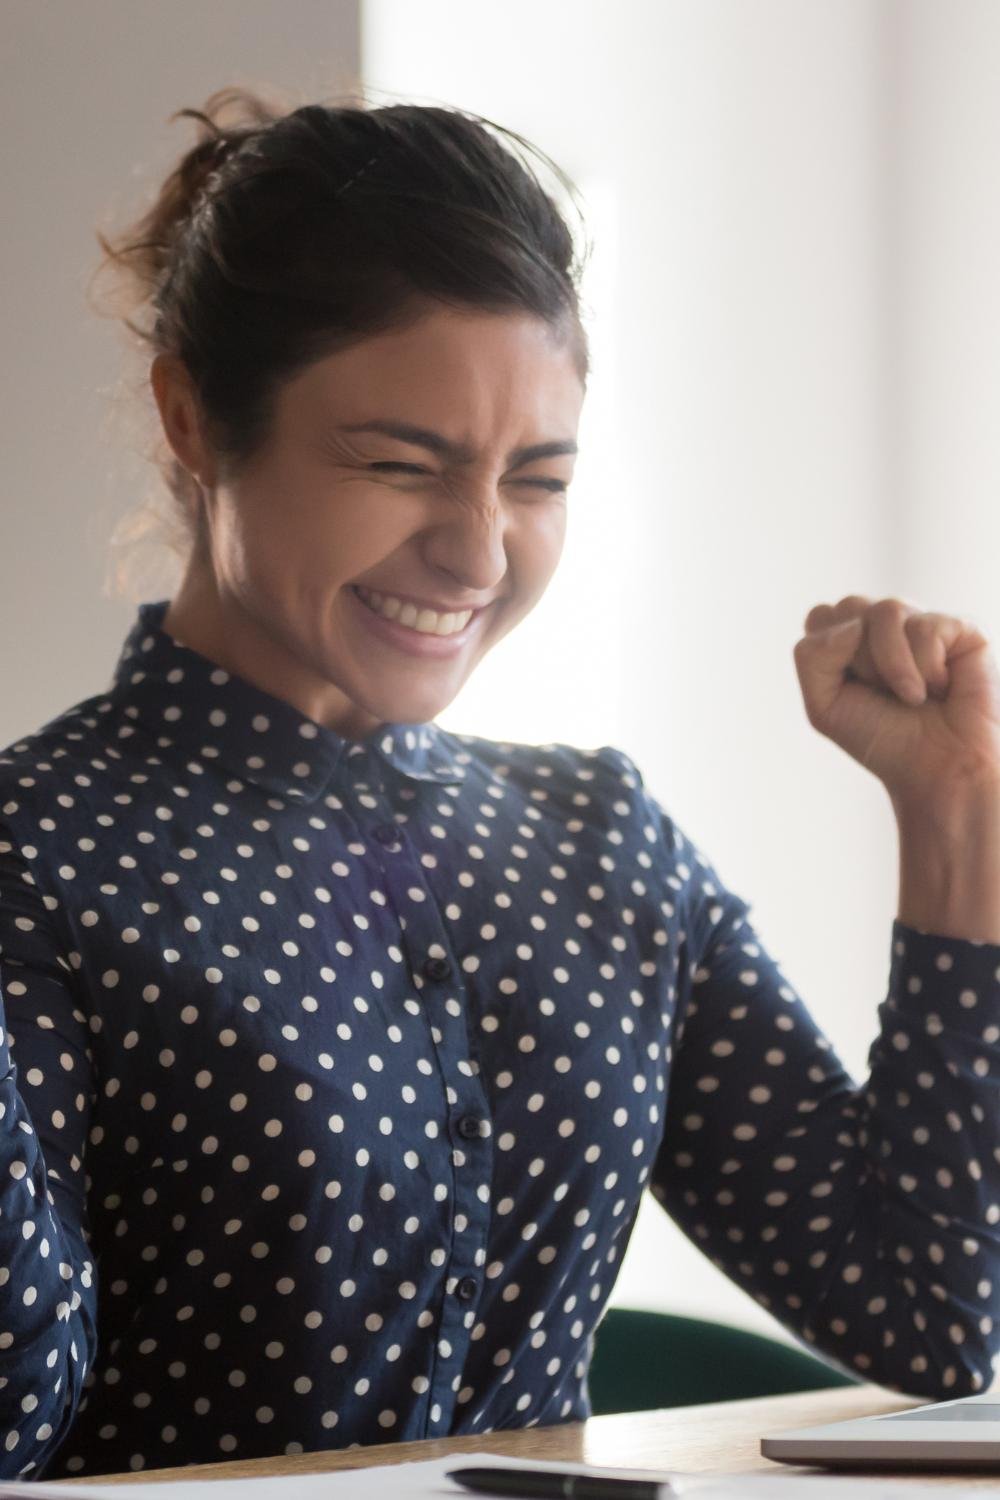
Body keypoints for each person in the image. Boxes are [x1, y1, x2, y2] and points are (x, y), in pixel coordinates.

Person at [2, 85, 1000, 1483]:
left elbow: (927, 1314)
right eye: (400, 465)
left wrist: (954, 819)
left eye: (537, 479)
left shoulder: (600, 841)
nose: (477, 555)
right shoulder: (34, 860)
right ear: (190, 417)